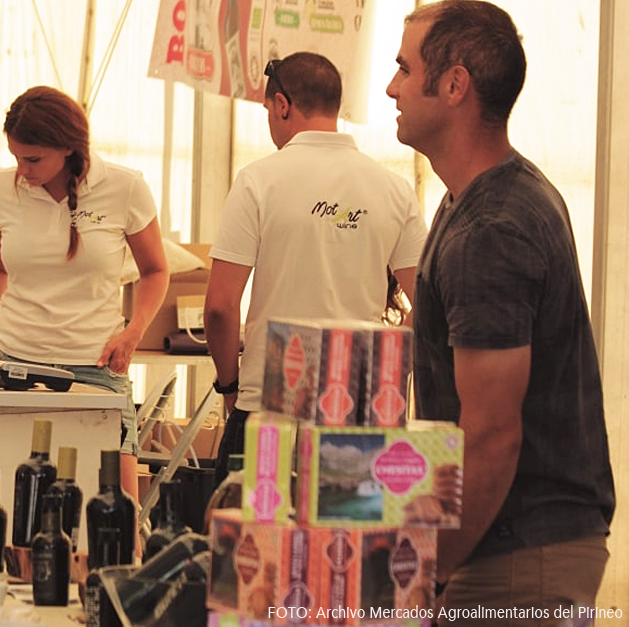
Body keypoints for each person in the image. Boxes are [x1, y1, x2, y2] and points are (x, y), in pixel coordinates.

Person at [387, 2, 613, 623]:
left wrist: (422, 572)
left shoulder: (492, 229)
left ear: (454, 85)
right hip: (510, 542)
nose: (391, 87)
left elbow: (492, 436)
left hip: (520, 554)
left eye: (405, 69)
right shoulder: (476, 201)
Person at [204, 52, 426, 485]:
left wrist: (230, 387)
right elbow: (432, 302)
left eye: (268, 110)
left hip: (268, 410)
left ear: (282, 105)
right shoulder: (394, 190)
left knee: (255, 545)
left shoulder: (258, 181)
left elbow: (219, 307)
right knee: (345, 544)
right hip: (358, 416)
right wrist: (377, 372)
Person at [0, 86, 168, 498]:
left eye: (32, 159)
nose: (21, 170)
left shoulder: (125, 187)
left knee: (117, 510)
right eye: (14, 157)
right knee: (6, 502)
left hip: (95, 367)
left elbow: (155, 271)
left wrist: (133, 331)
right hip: (10, 361)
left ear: (68, 147)